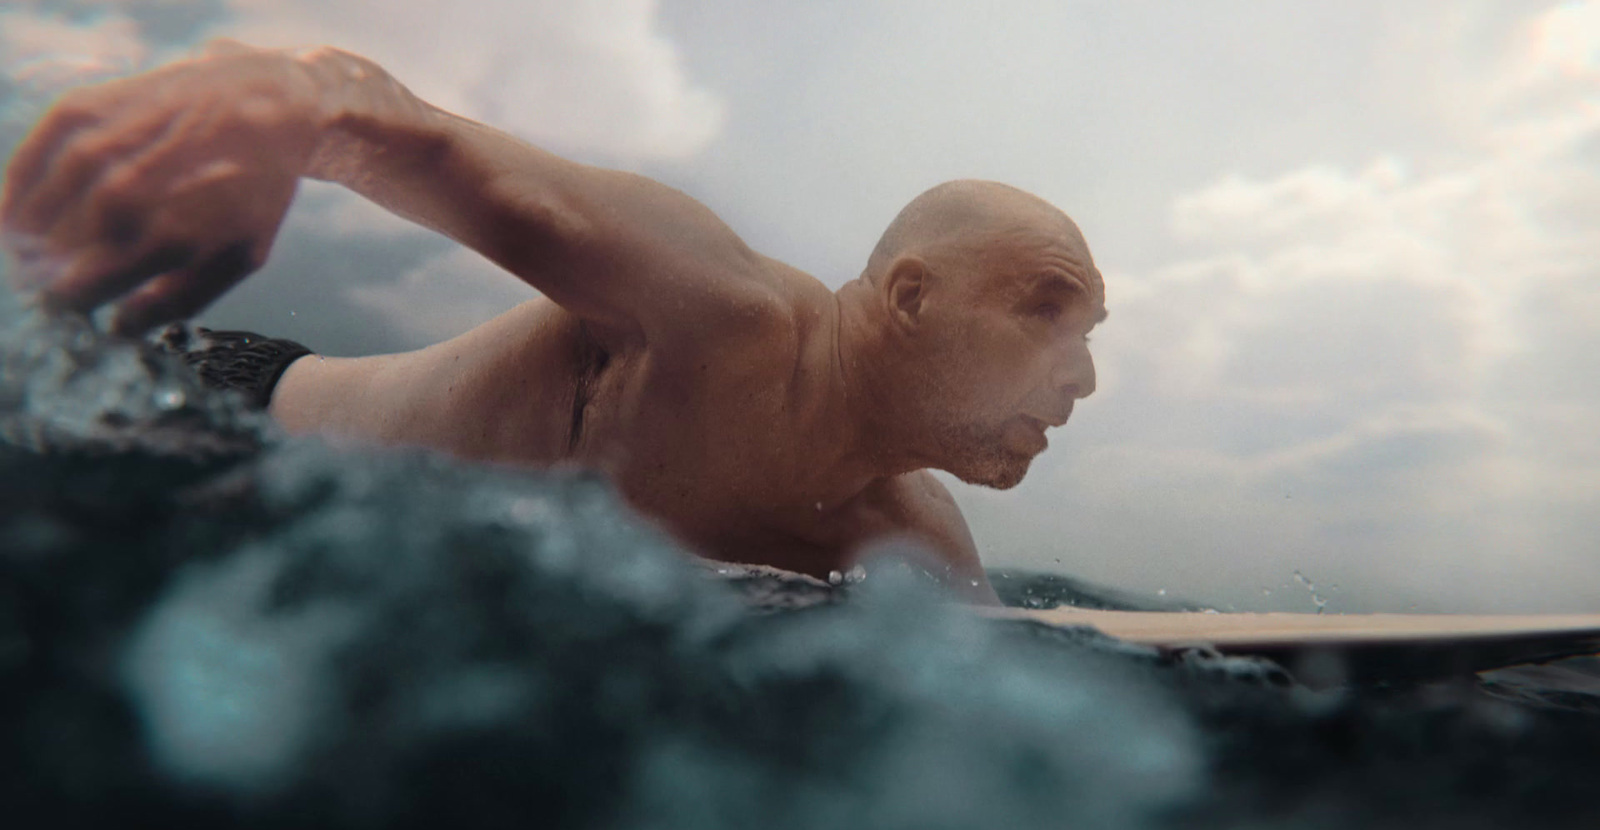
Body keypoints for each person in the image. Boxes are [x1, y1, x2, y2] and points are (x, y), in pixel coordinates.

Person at [0, 41, 1105, 605]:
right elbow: (392, 127)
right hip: (195, 425)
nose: (1081, 376)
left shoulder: (916, 551)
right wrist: (273, 103)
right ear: (910, 297)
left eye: (1094, 331)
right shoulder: (718, 312)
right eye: (1046, 309)